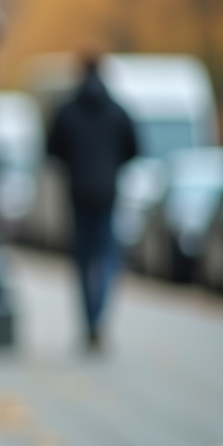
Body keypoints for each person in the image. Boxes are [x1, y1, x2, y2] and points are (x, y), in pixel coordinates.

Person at [46, 54, 138, 349]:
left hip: (78, 193)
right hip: (108, 193)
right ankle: (100, 316)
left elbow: (52, 150)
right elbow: (134, 148)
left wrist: (75, 166)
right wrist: (111, 168)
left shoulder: (67, 111)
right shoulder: (117, 111)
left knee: (83, 260)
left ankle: (89, 320)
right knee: (108, 257)